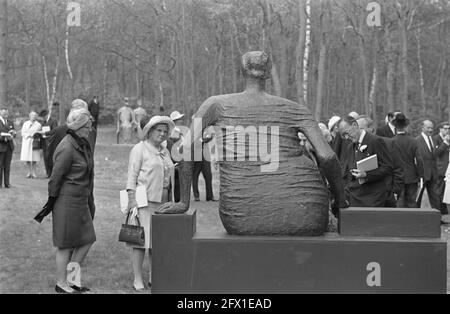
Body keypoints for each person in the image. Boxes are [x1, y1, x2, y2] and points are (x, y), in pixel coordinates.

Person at [47, 108, 96, 294]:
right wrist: (54, 203)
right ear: (78, 127)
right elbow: (54, 178)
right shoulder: (67, 146)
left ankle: (72, 280)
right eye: (87, 127)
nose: (89, 130)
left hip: (81, 200)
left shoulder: (82, 144)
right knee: (65, 244)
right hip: (66, 202)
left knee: (87, 239)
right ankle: (61, 284)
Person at [125, 115, 175, 291]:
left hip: (163, 202)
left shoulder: (165, 150)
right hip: (143, 202)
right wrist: (132, 202)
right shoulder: (139, 149)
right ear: (150, 131)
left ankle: (155, 276)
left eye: (165, 131)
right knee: (139, 242)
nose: (162, 134)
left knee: (157, 241)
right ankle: (137, 279)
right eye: (158, 131)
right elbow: (131, 176)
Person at [338, 116, 393, 207]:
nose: (346, 137)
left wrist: (366, 175)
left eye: (347, 133)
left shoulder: (375, 141)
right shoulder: (350, 147)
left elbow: (387, 168)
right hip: (355, 198)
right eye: (343, 136)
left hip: (373, 199)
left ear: (355, 125)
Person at [358, 115, 403, 207]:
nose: (359, 132)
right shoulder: (355, 146)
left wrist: (395, 192)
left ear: (371, 129)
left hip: (386, 197)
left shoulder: (389, 143)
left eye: (361, 128)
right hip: (363, 198)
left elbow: (398, 169)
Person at [392, 113, 424, 208]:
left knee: (400, 202)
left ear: (395, 126)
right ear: (406, 126)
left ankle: (401, 222)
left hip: (397, 176)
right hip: (412, 175)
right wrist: (421, 175)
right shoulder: (413, 141)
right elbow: (419, 160)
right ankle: (412, 221)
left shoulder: (391, 141)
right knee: (411, 201)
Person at [415, 120, 442, 217]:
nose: (430, 130)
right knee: (418, 196)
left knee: (435, 196)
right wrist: (418, 174)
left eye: (431, 128)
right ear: (422, 128)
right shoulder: (417, 140)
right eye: (428, 128)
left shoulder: (434, 140)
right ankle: (415, 216)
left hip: (433, 173)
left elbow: (435, 156)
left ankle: (437, 217)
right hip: (422, 174)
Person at [192, 129, 217, 202]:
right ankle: (196, 196)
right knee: (195, 176)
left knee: (208, 176)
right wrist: (203, 140)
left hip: (205, 155)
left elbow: (210, 136)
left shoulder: (206, 129)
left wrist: (208, 138)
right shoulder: (193, 129)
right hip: (196, 155)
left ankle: (210, 196)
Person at [433, 122, 450, 216]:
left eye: (448, 128)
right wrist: (446, 142)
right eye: (445, 128)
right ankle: (437, 214)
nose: (447, 130)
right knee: (438, 193)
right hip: (440, 170)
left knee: (446, 194)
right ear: (440, 129)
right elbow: (436, 153)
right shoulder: (436, 139)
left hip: (448, 171)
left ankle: (444, 214)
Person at [168, 111, 186, 202]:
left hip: (180, 160)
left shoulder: (179, 131)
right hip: (176, 161)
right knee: (176, 184)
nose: (181, 121)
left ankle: (177, 200)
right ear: (174, 121)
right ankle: (175, 201)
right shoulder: (174, 132)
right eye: (179, 119)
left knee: (178, 183)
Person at [20, 111, 42, 178]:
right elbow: (23, 133)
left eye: (35, 115)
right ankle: (29, 172)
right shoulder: (25, 123)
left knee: (35, 158)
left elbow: (40, 133)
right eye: (32, 115)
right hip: (27, 141)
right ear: (30, 116)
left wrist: (35, 135)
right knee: (28, 158)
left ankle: (34, 172)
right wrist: (29, 135)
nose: (34, 116)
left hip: (35, 142)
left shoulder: (38, 124)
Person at [39, 109, 59, 178]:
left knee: (51, 158)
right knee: (46, 158)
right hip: (44, 142)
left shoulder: (53, 121)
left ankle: (53, 173)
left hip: (51, 142)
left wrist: (48, 134)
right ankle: (48, 173)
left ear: (47, 115)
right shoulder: (43, 122)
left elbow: (55, 131)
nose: (43, 118)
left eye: (44, 116)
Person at [0, 108, 16, 188]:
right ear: (0, 113)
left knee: (7, 166)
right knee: (0, 166)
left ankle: (7, 183)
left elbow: (14, 132)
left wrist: (13, 134)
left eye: (6, 113)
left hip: (9, 147)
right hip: (1, 147)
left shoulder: (10, 122)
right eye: (4, 113)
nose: (5, 114)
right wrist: (5, 138)